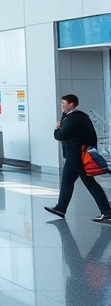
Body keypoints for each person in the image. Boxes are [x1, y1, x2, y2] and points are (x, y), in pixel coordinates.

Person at [45, 94, 111, 224]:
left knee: (89, 182)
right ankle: (61, 208)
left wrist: (56, 129)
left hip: (76, 156)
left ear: (71, 104)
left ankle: (107, 212)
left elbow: (60, 135)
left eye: (63, 103)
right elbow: (92, 137)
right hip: (76, 155)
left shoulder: (73, 118)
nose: (61, 105)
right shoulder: (82, 117)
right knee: (67, 181)